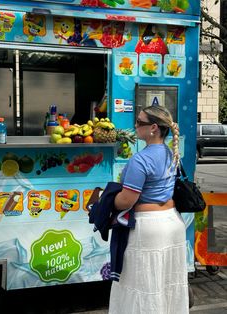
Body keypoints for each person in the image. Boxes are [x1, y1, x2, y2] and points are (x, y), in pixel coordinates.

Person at [108, 105, 189, 314]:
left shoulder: (140, 160)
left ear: (153, 128)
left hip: (148, 228)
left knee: (141, 285)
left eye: (139, 122)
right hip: (172, 222)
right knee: (167, 284)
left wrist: (106, 200)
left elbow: (127, 201)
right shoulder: (171, 153)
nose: (135, 126)